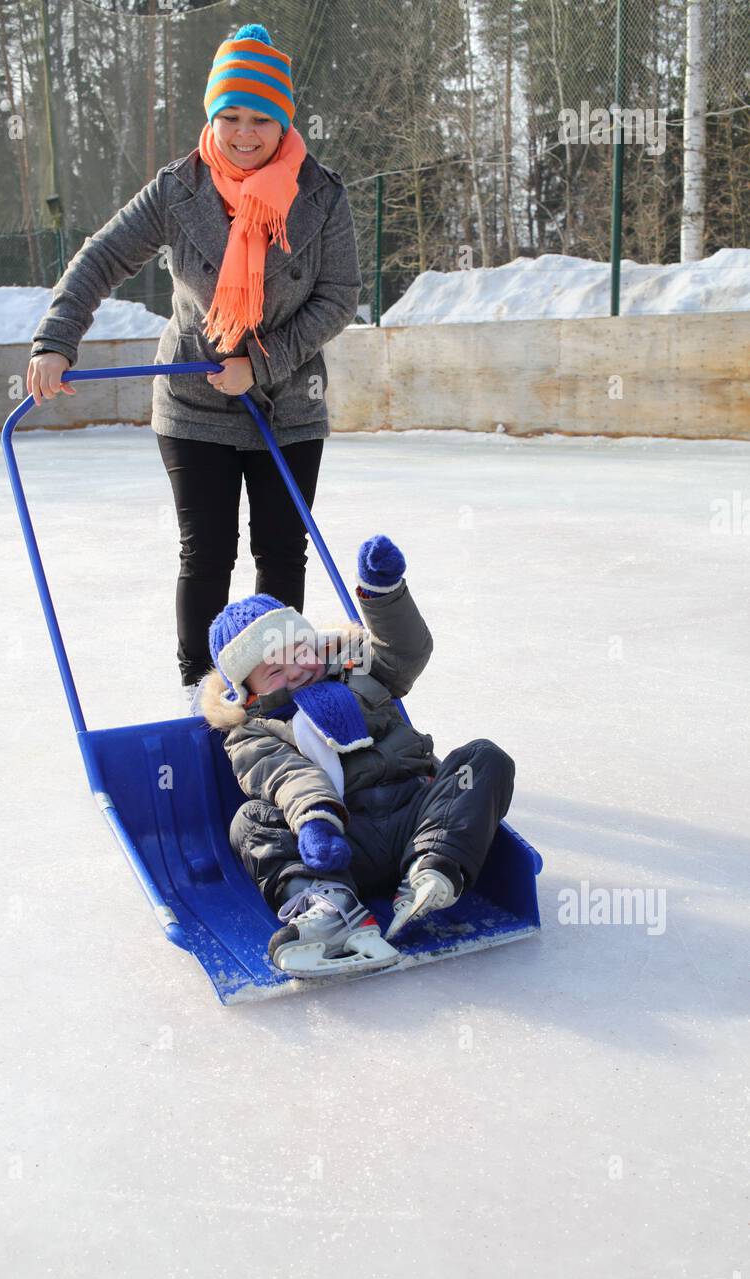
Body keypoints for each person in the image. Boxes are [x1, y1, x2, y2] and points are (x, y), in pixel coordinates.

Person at [26, 23, 361, 712]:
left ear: (284, 119)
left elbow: (340, 295)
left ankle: (279, 692)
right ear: (212, 117)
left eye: (261, 118)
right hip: (194, 402)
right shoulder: (180, 189)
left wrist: (262, 361)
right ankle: (196, 691)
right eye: (229, 116)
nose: (244, 133)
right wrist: (57, 339)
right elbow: (101, 257)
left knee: (280, 551)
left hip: (290, 401)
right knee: (207, 552)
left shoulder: (321, 195)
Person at [197, 534, 517, 979]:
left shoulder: (356, 671)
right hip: (342, 841)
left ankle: (432, 868)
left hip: (416, 816)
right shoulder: (250, 729)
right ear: (246, 689)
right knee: (249, 821)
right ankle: (329, 906)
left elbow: (405, 651)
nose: (296, 670)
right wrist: (315, 821)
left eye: (299, 651)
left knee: (481, 758)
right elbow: (287, 776)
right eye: (274, 670)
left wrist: (383, 595)